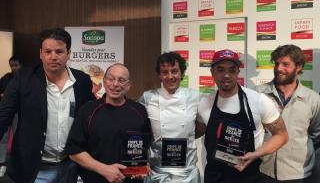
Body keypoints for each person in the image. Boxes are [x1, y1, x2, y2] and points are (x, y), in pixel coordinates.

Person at [0, 28, 95, 183]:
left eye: (59, 51)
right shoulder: (23, 79)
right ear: (40, 54)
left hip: (71, 166)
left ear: (68, 53)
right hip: (34, 169)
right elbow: (2, 118)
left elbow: (91, 119)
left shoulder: (82, 81)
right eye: (48, 51)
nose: (53, 57)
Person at [198, 49, 288, 183]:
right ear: (212, 72)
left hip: (248, 176)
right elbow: (192, 132)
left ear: (238, 72)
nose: (226, 75)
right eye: (220, 69)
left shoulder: (258, 101)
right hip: (215, 177)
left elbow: (282, 135)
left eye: (232, 70)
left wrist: (256, 154)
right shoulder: (204, 104)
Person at [65, 63, 151, 183]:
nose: (115, 84)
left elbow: (145, 146)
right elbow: (74, 151)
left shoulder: (139, 111)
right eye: (111, 79)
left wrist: (143, 165)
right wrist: (105, 170)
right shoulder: (87, 111)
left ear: (128, 86)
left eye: (121, 80)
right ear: (104, 82)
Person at [256, 44, 320, 183]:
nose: (279, 69)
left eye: (285, 64)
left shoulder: (313, 99)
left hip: (299, 175)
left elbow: (315, 135)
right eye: (277, 63)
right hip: (263, 171)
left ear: (299, 67)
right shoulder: (258, 94)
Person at [139, 51, 202, 183]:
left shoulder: (194, 97)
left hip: (187, 173)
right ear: (159, 75)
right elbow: (137, 128)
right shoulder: (148, 97)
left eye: (174, 71)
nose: (170, 76)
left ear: (182, 73)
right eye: (164, 72)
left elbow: (205, 125)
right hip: (157, 172)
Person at [0, 56, 21, 177]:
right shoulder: (6, 78)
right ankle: (2, 164)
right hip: (6, 113)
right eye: (12, 65)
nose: (14, 68)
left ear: (21, 65)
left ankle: (17, 163)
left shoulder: (25, 79)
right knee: (3, 137)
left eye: (16, 65)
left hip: (19, 112)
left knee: (18, 137)